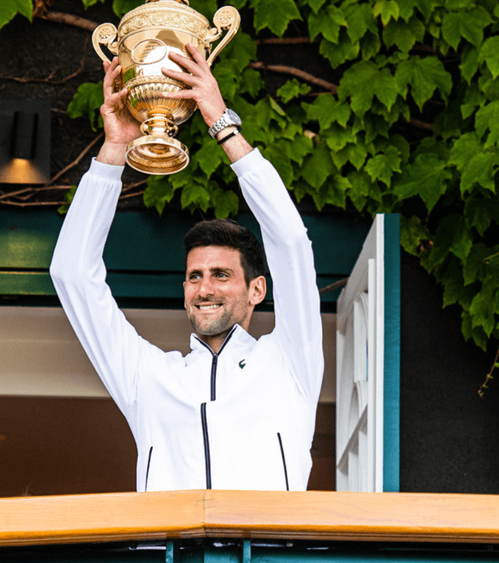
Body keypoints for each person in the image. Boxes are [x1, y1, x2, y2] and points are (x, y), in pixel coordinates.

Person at [50, 44, 323, 491]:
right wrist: (115, 147)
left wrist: (221, 122)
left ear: (256, 290)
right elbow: (72, 274)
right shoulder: (150, 376)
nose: (204, 288)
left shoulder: (290, 359)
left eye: (221, 274)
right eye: (195, 276)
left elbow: (291, 243)